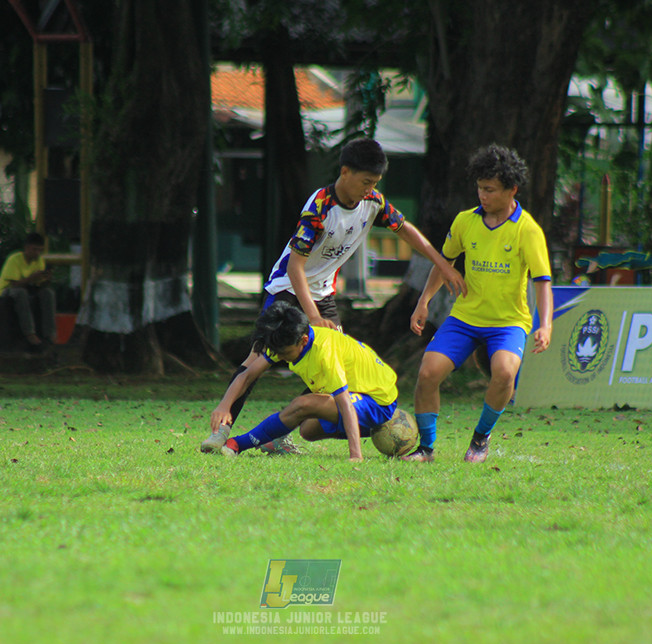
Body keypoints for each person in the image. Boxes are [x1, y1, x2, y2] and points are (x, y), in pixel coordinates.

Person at [200, 137, 465, 453]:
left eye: (375, 183)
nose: (370, 188)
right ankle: (223, 429)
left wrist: (443, 265)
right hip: (288, 288)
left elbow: (405, 229)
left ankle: (278, 436)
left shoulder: (374, 202)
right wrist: (312, 317)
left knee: (325, 361)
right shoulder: (320, 207)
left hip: (323, 292)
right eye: (366, 181)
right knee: (259, 359)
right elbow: (296, 267)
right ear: (345, 172)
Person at [403, 144, 553, 463]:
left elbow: (543, 281)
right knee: (428, 373)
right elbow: (444, 262)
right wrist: (424, 302)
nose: (482, 196)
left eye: (490, 190)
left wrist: (546, 324)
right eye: (479, 188)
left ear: (511, 189)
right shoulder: (465, 222)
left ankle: (480, 440)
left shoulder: (527, 230)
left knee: (504, 372)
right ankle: (426, 449)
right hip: (465, 319)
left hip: (508, 323)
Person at [206, 302, 398, 461]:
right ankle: (376, 429)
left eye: (285, 353)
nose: (280, 357)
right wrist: (224, 406)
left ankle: (237, 444)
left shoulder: (325, 352)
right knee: (308, 430)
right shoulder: (284, 340)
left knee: (302, 405)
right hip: (358, 396)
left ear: (304, 341)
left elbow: (344, 402)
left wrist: (355, 455)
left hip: (377, 401)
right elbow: (247, 375)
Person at [0, 232, 57, 350]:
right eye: (34, 250)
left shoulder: (39, 261)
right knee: (20, 293)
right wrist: (31, 278)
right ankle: (29, 333)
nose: (37, 253)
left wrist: (46, 279)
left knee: (48, 293)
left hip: (29, 289)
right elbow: (14, 284)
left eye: (40, 250)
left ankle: (50, 333)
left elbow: (39, 285)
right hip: (7, 290)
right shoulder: (15, 259)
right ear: (27, 248)